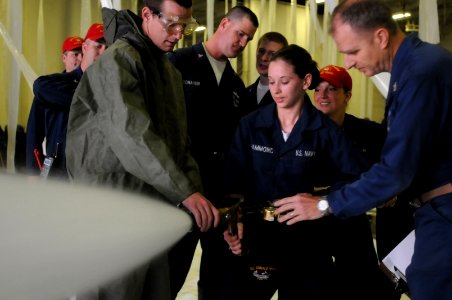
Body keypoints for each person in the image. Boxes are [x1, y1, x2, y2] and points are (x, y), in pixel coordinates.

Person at [273, 1, 452, 299]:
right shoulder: (412, 70)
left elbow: (395, 170)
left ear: (380, 37)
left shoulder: (421, 73)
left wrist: (323, 204)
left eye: (353, 51)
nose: (350, 62)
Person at [66, 1, 219, 299]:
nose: (178, 34)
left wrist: (199, 203)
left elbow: (179, 142)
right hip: (111, 210)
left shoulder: (168, 72)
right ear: (147, 15)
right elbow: (131, 133)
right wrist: (184, 192)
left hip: (150, 210)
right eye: (172, 24)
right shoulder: (119, 60)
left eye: (185, 26)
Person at [223, 44, 375, 300]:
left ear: (305, 81)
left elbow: (362, 180)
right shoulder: (250, 126)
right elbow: (231, 182)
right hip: (257, 240)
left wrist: (324, 203)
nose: (276, 90)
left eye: (284, 81)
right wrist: (233, 224)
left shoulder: (326, 132)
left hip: (309, 245)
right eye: (271, 81)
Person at [167, 5, 258, 299]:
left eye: (248, 40)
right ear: (223, 24)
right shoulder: (178, 63)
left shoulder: (235, 85)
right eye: (241, 34)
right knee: (170, 274)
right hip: (181, 191)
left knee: (217, 279)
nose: (243, 44)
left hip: (218, 196)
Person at [314, 64, 399, 299]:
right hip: (312, 225)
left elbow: (391, 172)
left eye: (331, 89)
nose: (322, 95)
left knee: (363, 288)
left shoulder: (369, 133)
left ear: (347, 95)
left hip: (352, 224)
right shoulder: (300, 131)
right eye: (317, 89)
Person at [25, 23, 106, 179]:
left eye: (107, 47)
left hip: (90, 174)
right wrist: (33, 172)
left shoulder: (108, 87)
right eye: (98, 46)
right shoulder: (51, 89)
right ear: (85, 47)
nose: (103, 52)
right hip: (58, 170)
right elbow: (34, 133)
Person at [244, 31, 288, 110]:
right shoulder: (245, 93)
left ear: (283, 59)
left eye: (273, 54)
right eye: (261, 51)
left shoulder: (288, 96)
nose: (264, 58)